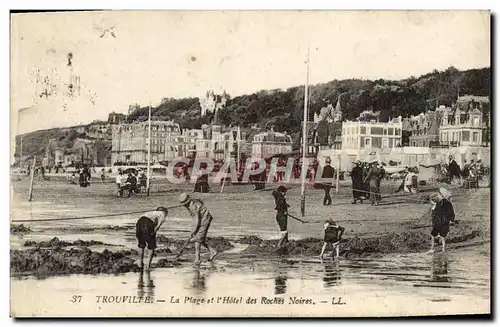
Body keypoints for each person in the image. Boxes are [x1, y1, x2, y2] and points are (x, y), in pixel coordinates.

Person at [178, 193, 218, 264]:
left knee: (197, 240)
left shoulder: (194, 207)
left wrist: (193, 231)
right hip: (202, 219)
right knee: (200, 238)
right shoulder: (192, 203)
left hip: (204, 220)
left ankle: (197, 259)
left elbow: (196, 220)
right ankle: (212, 251)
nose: (184, 205)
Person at [428, 188, 455, 253]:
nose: (438, 196)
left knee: (433, 235)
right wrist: (451, 219)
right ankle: (443, 249)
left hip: (439, 222)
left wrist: (433, 219)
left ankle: (432, 248)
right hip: (444, 222)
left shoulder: (439, 203)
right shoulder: (447, 203)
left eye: (439, 195)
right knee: (443, 236)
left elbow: (435, 213)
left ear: (442, 196)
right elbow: (451, 212)